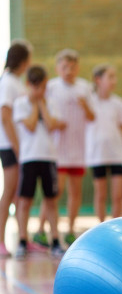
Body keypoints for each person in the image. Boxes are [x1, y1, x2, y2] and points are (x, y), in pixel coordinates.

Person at [35, 49, 95, 248]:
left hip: (78, 150)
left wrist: (85, 106)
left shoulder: (84, 88)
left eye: (72, 67)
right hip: (56, 151)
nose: (68, 71)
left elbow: (92, 117)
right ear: (57, 69)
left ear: (77, 68)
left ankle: (70, 229)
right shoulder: (51, 87)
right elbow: (41, 111)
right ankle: (41, 230)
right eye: (64, 67)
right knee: (54, 192)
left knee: (75, 192)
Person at [12, 65, 66, 259]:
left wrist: (43, 104)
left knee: (51, 199)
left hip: (49, 157)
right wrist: (35, 104)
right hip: (29, 157)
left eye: (43, 87)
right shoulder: (21, 104)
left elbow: (52, 125)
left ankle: (55, 240)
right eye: (36, 87)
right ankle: (23, 240)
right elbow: (31, 126)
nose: (40, 91)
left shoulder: (51, 103)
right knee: (25, 200)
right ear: (28, 85)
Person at [86, 64, 122, 222]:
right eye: (110, 77)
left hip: (116, 154)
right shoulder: (89, 101)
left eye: (114, 77)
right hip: (97, 155)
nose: (114, 80)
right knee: (101, 195)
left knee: (118, 196)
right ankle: (101, 226)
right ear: (98, 80)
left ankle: (115, 226)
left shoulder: (118, 103)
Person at [0, 40, 32, 256]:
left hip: (22, 146)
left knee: (21, 194)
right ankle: (1, 240)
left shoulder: (18, 83)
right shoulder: (8, 82)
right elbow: (5, 116)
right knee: (10, 191)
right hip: (10, 146)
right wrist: (17, 146)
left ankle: (23, 238)